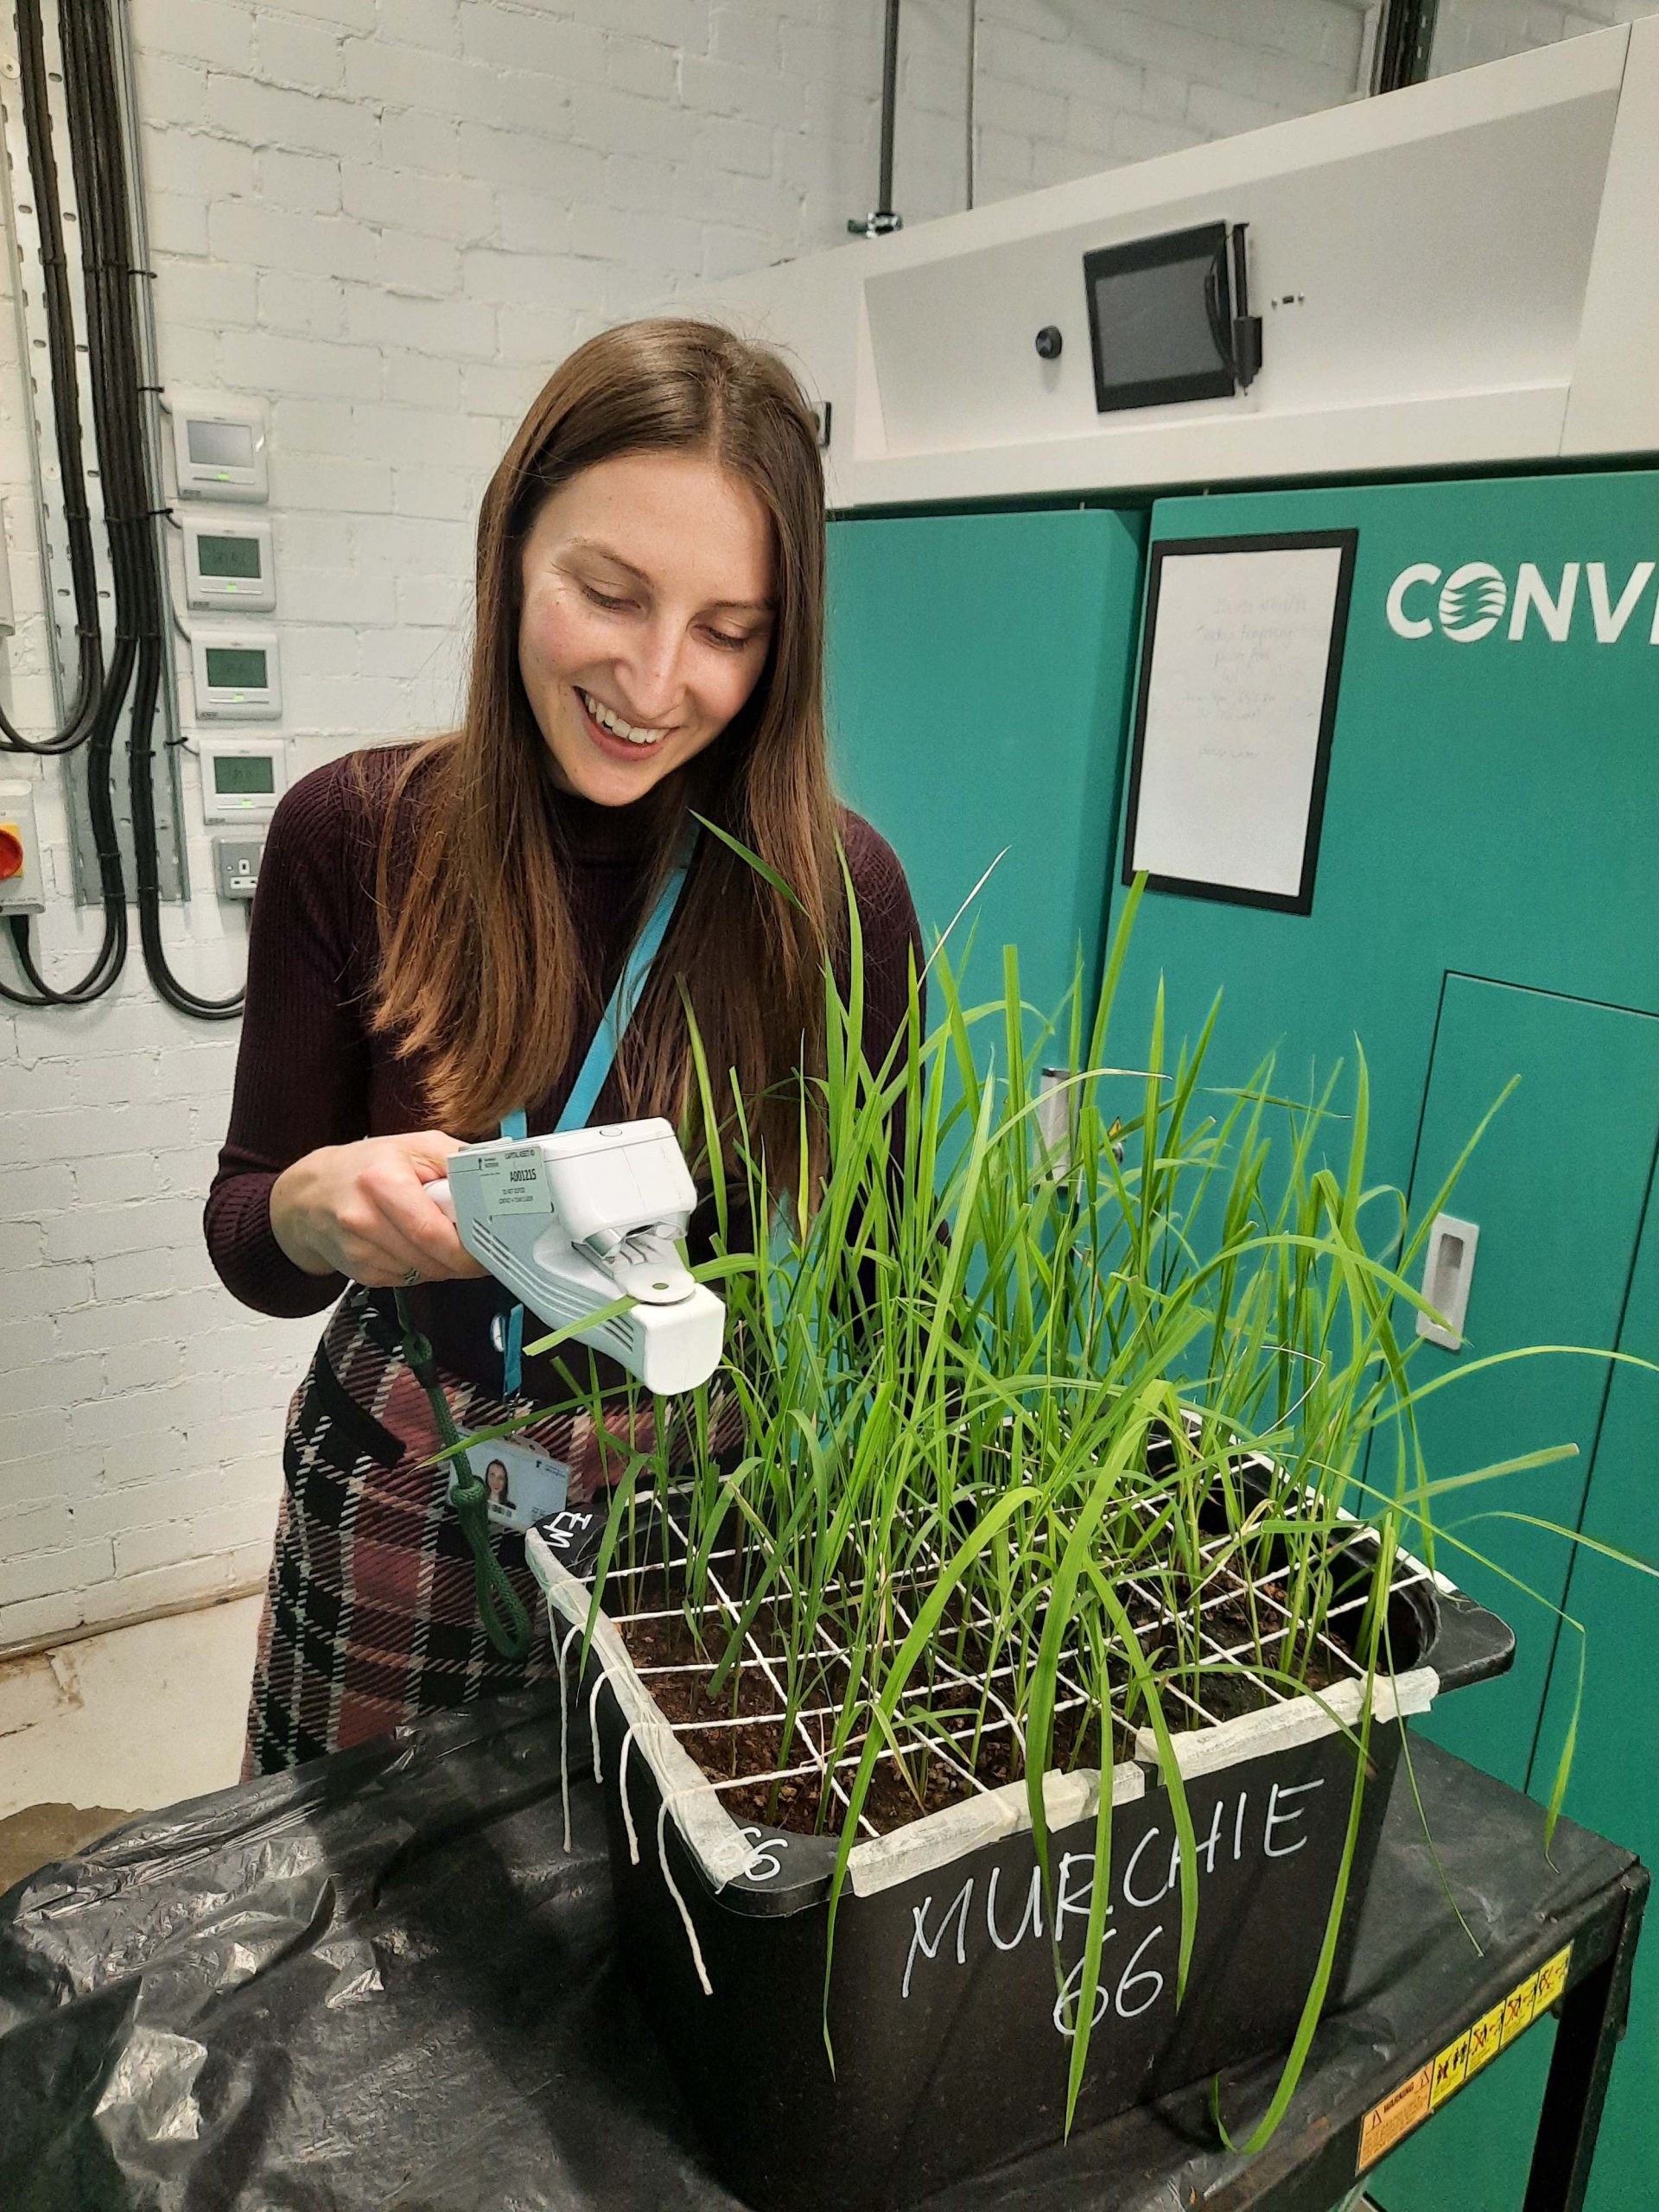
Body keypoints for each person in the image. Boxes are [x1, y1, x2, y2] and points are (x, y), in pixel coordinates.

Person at [206, 320, 922, 1777]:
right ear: (511, 551)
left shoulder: (837, 893)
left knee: (655, 1931)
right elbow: (249, 1238)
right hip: (410, 1464)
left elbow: (881, 1298)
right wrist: (311, 1206)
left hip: (692, 1487)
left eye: (731, 630)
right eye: (610, 593)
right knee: (351, 1912)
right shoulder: (356, 836)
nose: (658, 682)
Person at [483, 1459, 513, 1525]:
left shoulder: (511, 1507)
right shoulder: (478, 1501)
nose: (495, 1481)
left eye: (500, 1478)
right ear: (487, 1477)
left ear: (505, 1482)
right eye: (492, 1476)